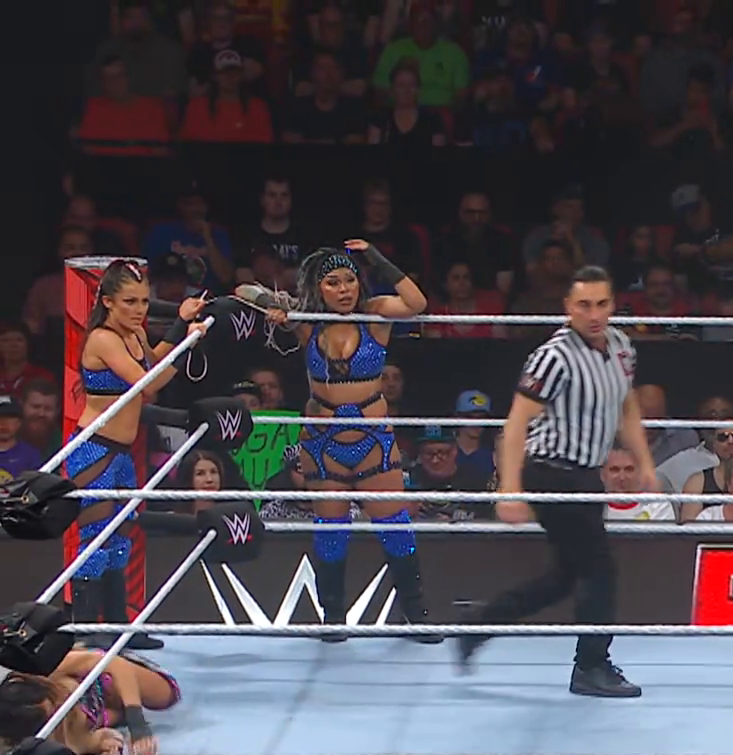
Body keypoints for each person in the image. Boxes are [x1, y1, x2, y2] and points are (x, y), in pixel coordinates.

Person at [455, 267, 654, 698]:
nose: (594, 314)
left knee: (567, 575)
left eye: (601, 304)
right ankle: (591, 665)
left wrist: (645, 463)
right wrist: (510, 489)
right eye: (584, 305)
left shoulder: (622, 346)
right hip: (550, 472)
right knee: (600, 569)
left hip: (586, 476)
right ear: (567, 307)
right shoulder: (553, 357)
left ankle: (478, 626)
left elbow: (628, 407)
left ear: (613, 305)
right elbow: (515, 423)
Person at [251, 241, 433, 642]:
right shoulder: (307, 321)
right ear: (319, 288)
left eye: (349, 280)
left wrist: (375, 257)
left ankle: (416, 614)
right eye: (333, 282)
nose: (344, 289)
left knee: (395, 526)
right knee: (330, 530)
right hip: (323, 443)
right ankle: (333, 618)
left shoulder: (376, 314)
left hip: (373, 441)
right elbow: (244, 291)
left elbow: (416, 302)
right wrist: (273, 307)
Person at [70, 259, 209, 650]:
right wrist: (187, 341)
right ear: (108, 302)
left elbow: (154, 360)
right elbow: (148, 384)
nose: (139, 310)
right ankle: (85, 632)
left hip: (121, 452)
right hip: (93, 450)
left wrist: (182, 325)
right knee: (95, 539)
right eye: (129, 302)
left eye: (144, 302)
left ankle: (118, 629)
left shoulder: (133, 335)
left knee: (120, 539)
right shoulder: (103, 339)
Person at [0, 647, 179, 755]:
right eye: (49, 713)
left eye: (51, 702)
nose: (56, 708)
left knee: (166, 695)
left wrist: (137, 721)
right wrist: (101, 744)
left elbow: (112, 663)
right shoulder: (45, 742)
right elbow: (87, 742)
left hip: (101, 668)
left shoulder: (46, 670)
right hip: (100, 713)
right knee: (112, 715)